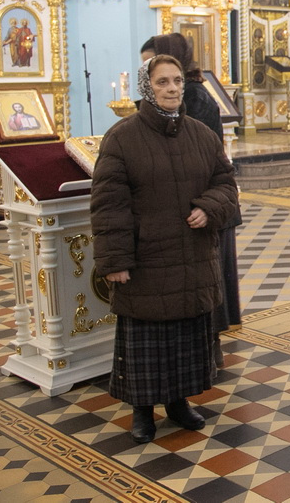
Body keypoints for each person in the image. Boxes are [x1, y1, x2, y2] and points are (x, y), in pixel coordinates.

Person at [91, 55, 239, 444]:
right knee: (146, 344)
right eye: (162, 82)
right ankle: (142, 411)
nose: (172, 88)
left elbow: (226, 184)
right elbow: (109, 207)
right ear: (147, 88)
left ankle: (178, 402)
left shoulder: (201, 135)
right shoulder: (122, 138)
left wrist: (209, 208)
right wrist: (115, 261)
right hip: (147, 261)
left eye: (176, 81)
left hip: (192, 257)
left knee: (185, 339)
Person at [140, 34, 240, 333]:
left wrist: (207, 205)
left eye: (150, 61)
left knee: (210, 274)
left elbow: (202, 161)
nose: (146, 68)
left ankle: (212, 329)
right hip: (200, 203)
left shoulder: (194, 97)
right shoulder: (191, 91)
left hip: (205, 202)